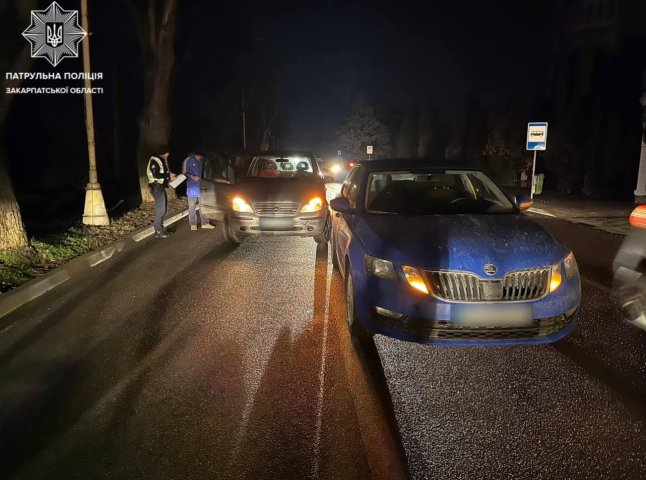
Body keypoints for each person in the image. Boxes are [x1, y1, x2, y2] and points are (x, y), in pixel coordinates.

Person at [146, 144, 176, 238]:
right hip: (157, 188)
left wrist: (169, 176)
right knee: (161, 210)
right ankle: (158, 230)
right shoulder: (155, 160)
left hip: (160, 187)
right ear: (165, 152)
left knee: (164, 209)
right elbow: (156, 175)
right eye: (167, 152)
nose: (168, 154)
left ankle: (160, 228)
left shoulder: (160, 160)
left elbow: (162, 173)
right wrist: (168, 176)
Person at [182, 148, 215, 231]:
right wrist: (192, 176)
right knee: (192, 207)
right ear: (195, 154)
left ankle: (205, 223)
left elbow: (208, 172)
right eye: (198, 156)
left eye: (201, 156)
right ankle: (193, 224)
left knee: (203, 206)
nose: (199, 158)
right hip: (192, 187)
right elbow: (184, 173)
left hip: (202, 186)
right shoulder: (188, 160)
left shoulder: (204, 160)